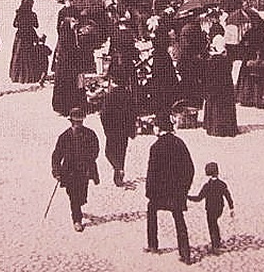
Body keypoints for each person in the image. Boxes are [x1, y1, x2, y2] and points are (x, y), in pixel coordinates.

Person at [144, 116, 194, 265]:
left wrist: (150, 193)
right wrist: (184, 189)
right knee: (179, 219)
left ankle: (153, 245)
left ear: (159, 128)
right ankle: (185, 254)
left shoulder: (156, 147)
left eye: (155, 126)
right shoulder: (180, 143)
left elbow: (152, 173)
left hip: (160, 194)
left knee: (151, 210)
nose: (153, 129)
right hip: (177, 193)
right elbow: (189, 169)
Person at [51, 107, 100, 233]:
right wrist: (56, 171)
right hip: (69, 171)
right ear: (71, 121)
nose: (78, 124)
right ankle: (77, 219)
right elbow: (57, 154)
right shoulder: (64, 136)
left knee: (82, 195)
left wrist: (89, 159)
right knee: (73, 195)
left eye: (80, 122)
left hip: (84, 170)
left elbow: (96, 150)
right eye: (76, 122)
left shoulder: (90, 134)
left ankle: (79, 205)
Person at [188, 162, 234, 253]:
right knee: (215, 224)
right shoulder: (222, 184)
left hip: (210, 209)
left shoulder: (207, 186)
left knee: (212, 226)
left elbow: (198, 198)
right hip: (219, 208)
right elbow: (228, 196)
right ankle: (217, 242)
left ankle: (215, 245)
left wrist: (187, 197)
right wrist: (231, 207)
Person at [99, 80, 136, 188]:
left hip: (112, 130)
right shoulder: (127, 95)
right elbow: (133, 113)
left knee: (109, 152)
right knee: (121, 152)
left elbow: (104, 114)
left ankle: (118, 169)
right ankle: (119, 170)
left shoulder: (110, 96)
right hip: (123, 130)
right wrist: (131, 129)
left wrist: (106, 129)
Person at [202, 34, 237, 137]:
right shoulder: (226, 58)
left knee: (215, 106)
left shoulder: (212, 59)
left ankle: (214, 127)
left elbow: (207, 74)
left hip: (214, 87)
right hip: (226, 87)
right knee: (224, 106)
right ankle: (227, 128)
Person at [8, 0, 40, 84]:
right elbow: (36, 25)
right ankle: (29, 76)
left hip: (20, 37)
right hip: (29, 36)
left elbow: (14, 24)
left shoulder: (19, 13)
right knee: (29, 56)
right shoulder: (33, 14)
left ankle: (17, 76)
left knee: (18, 56)